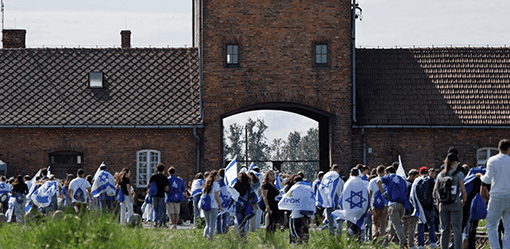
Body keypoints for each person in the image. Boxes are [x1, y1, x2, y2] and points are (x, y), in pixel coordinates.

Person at [478, 139, 510, 249]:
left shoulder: (492, 160)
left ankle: (495, 247)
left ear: (498, 148)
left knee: (491, 225)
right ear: (509, 149)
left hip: (496, 196)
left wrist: (480, 176)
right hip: (509, 195)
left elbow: (487, 180)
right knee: (508, 226)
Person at [433, 153, 467, 249]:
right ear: (455, 162)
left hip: (443, 205)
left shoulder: (440, 175)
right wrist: (463, 201)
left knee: (444, 229)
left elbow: (435, 191)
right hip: (455, 203)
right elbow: (463, 191)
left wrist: (437, 202)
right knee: (457, 230)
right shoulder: (459, 174)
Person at [377, 166, 408, 248]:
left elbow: (378, 182)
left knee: (397, 225)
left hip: (392, 204)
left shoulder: (388, 177)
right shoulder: (401, 179)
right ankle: (384, 244)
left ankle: (403, 242)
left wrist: (383, 193)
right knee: (392, 228)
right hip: (401, 204)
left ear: (388, 172)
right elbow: (406, 190)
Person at [316, 164, 345, 237]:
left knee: (330, 222)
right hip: (337, 203)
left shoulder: (326, 179)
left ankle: (331, 236)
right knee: (339, 221)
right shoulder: (340, 181)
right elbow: (342, 192)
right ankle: (339, 236)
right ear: (338, 171)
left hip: (328, 204)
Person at [414, 167, 438, 249]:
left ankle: (421, 244)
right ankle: (433, 243)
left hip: (420, 207)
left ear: (420, 173)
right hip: (430, 207)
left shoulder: (417, 181)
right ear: (428, 173)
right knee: (431, 225)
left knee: (420, 225)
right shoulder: (431, 181)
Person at [200, 170, 223, 240]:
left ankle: (204, 237)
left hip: (206, 206)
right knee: (212, 225)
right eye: (217, 175)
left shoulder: (207, 183)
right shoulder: (216, 185)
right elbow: (217, 197)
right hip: (214, 206)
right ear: (214, 176)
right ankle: (210, 239)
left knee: (207, 224)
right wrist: (220, 206)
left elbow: (203, 195)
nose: (218, 177)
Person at [233, 172, 255, 239]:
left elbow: (233, 195)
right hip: (246, 206)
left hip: (238, 206)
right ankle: (243, 237)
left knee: (239, 222)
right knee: (244, 222)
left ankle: (239, 236)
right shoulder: (248, 186)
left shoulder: (236, 185)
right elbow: (252, 195)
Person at [368, 165, 388, 242]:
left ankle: (375, 235)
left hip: (375, 204)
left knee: (375, 223)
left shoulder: (372, 181)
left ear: (376, 172)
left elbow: (370, 194)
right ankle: (382, 237)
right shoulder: (386, 181)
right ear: (384, 172)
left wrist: (370, 205)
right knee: (383, 222)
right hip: (384, 204)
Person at [148, 163, 170, 228]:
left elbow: (148, 185)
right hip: (161, 195)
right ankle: (160, 223)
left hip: (154, 195)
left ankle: (155, 222)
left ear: (157, 169)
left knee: (155, 209)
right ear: (163, 170)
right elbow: (167, 188)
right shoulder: (165, 178)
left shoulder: (153, 176)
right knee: (161, 210)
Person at [402, 169, 419, 249]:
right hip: (410, 209)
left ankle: (404, 243)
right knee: (410, 227)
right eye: (416, 176)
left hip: (406, 209)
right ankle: (411, 244)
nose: (416, 178)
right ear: (412, 175)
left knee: (406, 227)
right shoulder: (411, 185)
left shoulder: (403, 183)